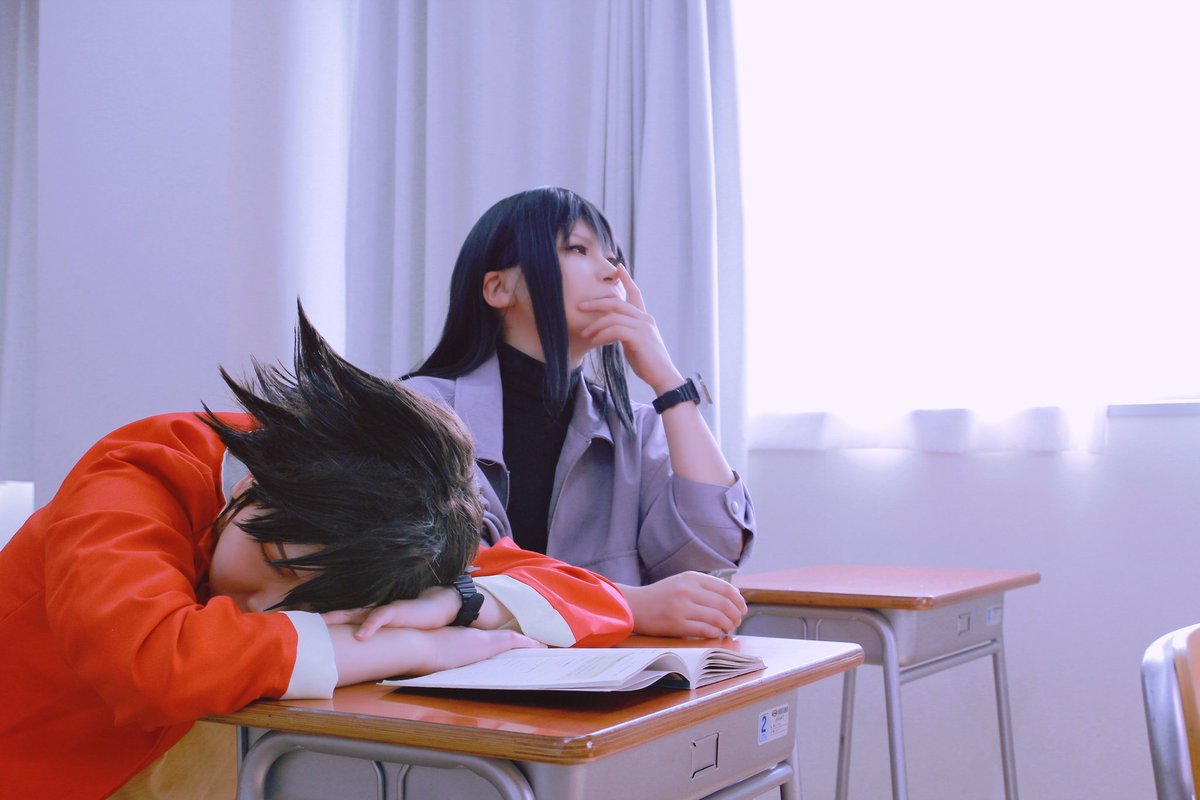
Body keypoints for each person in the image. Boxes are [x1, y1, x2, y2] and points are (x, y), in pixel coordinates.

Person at [0, 306, 632, 800]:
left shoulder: (387, 527)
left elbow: (592, 596)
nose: (263, 608)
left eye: (306, 603)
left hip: (168, 762)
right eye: (275, 563)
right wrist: (409, 648)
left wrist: (456, 603)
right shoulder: (140, 471)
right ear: (253, 485)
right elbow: (149, 661)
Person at [404, 187, 755, 639]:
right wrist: (630, 605)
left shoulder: (635, 428)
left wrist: (669, 384)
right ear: (499, 288)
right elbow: (452, 575)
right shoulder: (423, 414)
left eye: (613, 257)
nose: (611, 272)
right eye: (577, 248)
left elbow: (710, 560)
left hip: (613, 677)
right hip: (459, 677)